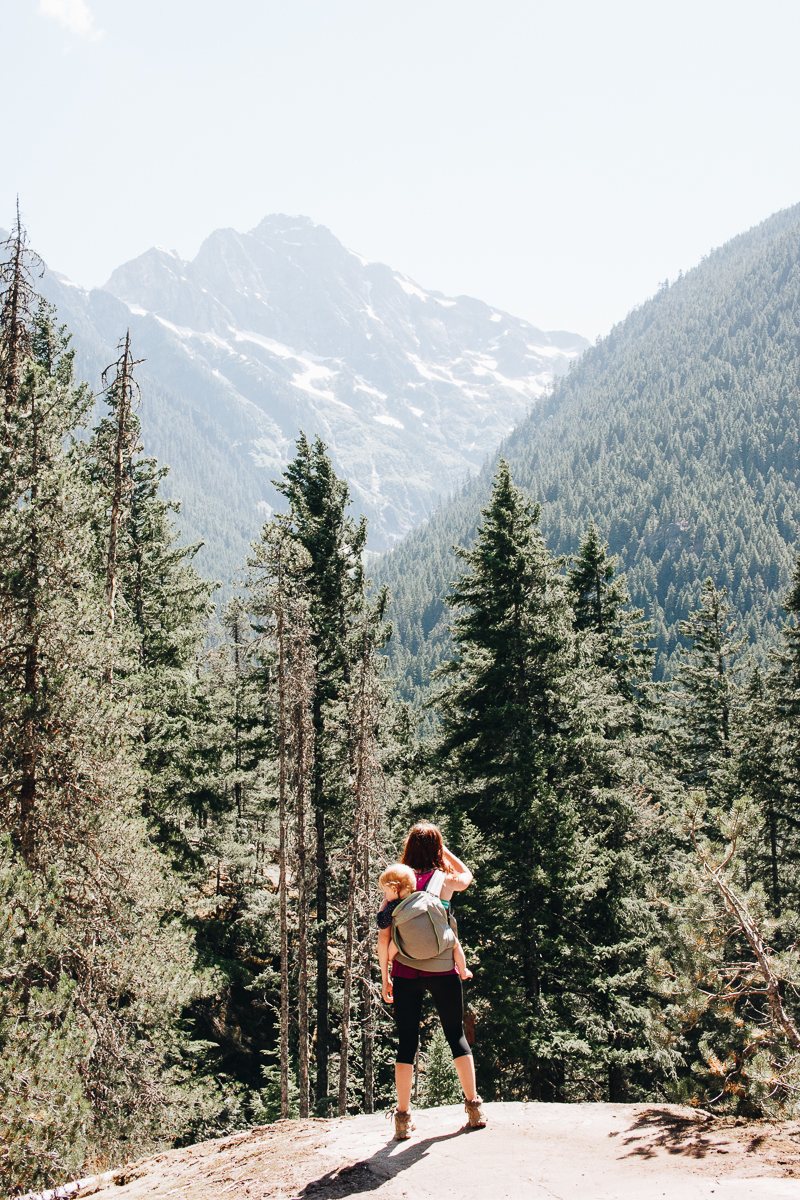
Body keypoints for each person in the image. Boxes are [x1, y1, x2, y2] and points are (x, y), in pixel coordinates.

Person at [377, 822, 487, 1140]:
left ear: (408, 849)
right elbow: (467, 875)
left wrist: (385, 976)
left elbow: (384, 937)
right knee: (456, 1036)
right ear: (437, 849)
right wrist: (445, 852)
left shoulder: (398, 885)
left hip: (405, 971)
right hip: (443, 968)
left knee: (407, 1042)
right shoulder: (446, 882)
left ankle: (402, 1118)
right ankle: (473, 1107)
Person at [377, 863, 473, 981]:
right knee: (455, 944)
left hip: (408, 948)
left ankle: (390, 960)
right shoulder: (421, 898)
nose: (386, 896)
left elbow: (382, 923)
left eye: (386, 892)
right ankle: (463, 970)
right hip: (437, 946)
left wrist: (383, 907)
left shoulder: (393, 906)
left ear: (394, 888)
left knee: (396, 941)